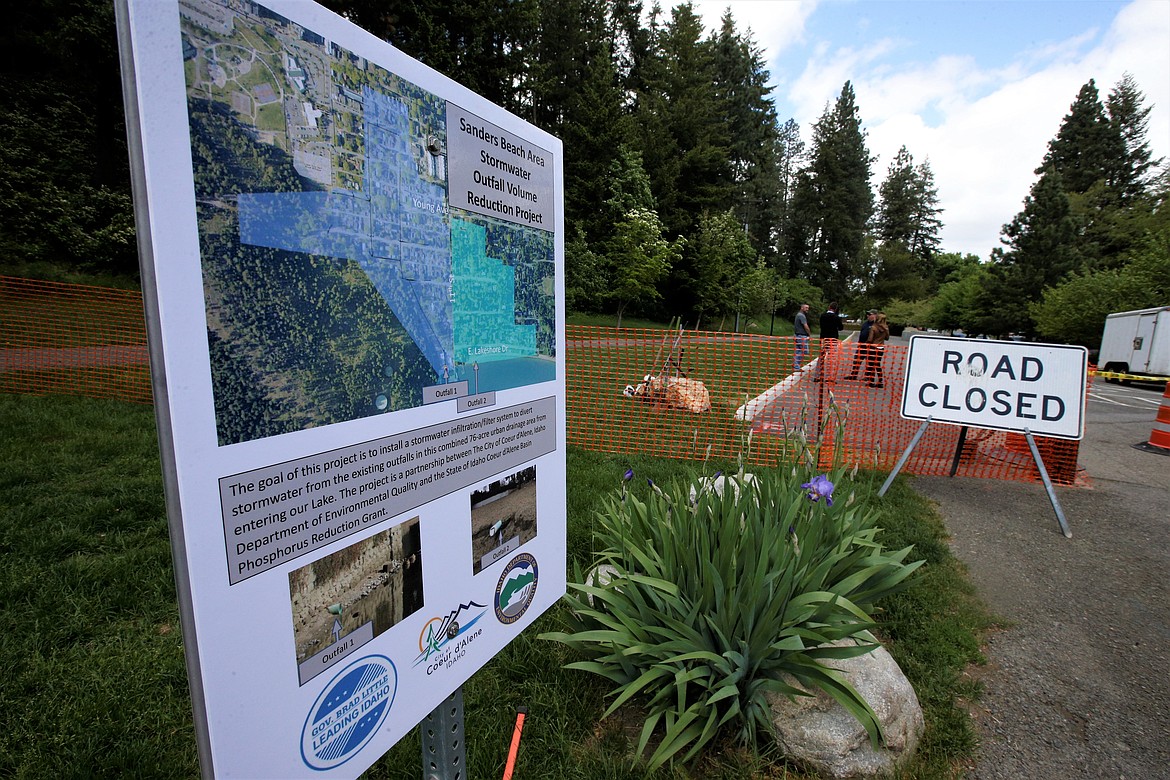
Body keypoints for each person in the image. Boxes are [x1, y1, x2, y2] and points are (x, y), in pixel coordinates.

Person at [844, 310, 877, 380]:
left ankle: (869, 376)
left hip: (870, 346)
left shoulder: (876, 325)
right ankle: (854, 374)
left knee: (870, 362)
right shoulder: (865, 323)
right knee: (857, 360)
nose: (868, 316)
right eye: (867, 314)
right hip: (861, 345)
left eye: (869, 314)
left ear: (874, 315)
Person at [816, 302, 843, 381]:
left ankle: (817, 376)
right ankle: (829, 377)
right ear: (835, 309)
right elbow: (841, 327)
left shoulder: (822, 316)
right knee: (831, 358)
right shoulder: (836, 317)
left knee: (821, 357)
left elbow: (821, 325)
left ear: (829, 307)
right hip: (833, 339)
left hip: (823, 338)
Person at [863, 312, 890, 388]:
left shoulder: (873, 327)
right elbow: (887, 338)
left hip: (873, 347)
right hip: (881, 347)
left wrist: (867, 343)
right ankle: (880, 381)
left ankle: (871, 381)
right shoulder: (886, 328)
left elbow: (870, 339)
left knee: (871, 364)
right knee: (877, 364)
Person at [793, 303, 811, 371]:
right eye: (806, 308)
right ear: (802, 308)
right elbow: (805, 326)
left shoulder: (798, 315)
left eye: (808, 308)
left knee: (798, 351)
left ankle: (796, 366)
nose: (807, 309)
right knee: (804, 351)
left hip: (797, 335)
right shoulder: (801, 316)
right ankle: (796, 366)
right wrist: (809, 334)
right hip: (801, 336)